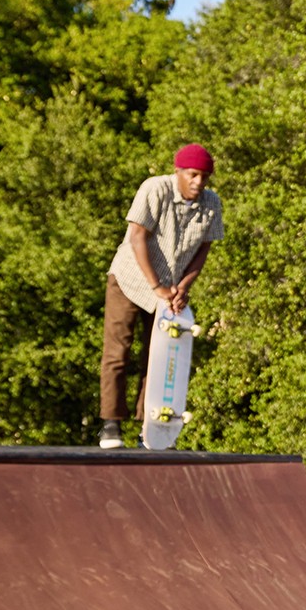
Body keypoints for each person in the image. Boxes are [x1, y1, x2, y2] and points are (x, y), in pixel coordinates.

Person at [98, 143, 224, 448]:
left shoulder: (211, 203)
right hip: (130, 280)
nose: (199, 182)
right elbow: (137, 237)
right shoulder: (155, 189)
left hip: (168, 290)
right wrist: (157, 287)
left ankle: (149, 428)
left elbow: (203, 250)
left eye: (204, 177)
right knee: (118, 351)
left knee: (158, 357)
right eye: (193, 175)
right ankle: (110, 424)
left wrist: (184, 287)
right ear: (178, 171)